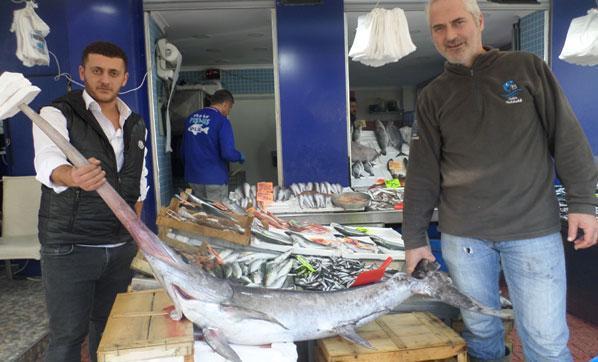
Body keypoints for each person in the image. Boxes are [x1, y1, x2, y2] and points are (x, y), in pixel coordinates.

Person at [402, 0, 598, 361]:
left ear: (479, 21)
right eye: (439, 28)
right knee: (480, 332)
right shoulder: (433, 96)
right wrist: (415, 239)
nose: (450, 35)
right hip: (464, 238)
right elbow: (422, 172)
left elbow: (567, 137)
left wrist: (583, 203)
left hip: (532, 232)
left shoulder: (526, 68)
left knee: (545, 339)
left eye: (458, 23)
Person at [32, 41, 148, 362]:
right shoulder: (57, 113)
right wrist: (72, 176)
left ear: (125, 78)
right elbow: (47, 162)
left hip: (119, 248)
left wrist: (135, 236)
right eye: (97, 71)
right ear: (83, 72)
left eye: (113, 73)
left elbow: (139, 183)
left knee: (110, 330)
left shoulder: (136, 124)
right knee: (68, 338)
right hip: (70, 248)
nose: (104, 80)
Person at [182, 89, 244, 202]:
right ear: (225, 104)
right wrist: (239, 156)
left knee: (200, 214)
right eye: (229, 108)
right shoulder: (222, 121)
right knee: (217, 217)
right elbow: (228, 153)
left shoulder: (191, 118)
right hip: (215, 178)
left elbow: (183, 149)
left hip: (193, 178)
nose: (228, 112)